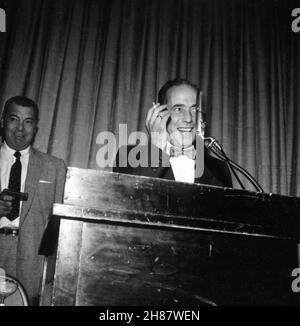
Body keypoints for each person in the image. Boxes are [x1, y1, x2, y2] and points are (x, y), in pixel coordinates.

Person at [0, 96, 66, 305]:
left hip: (33, 265)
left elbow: (60, 229)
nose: (20, 129)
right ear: (2, 121)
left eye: (28, 121)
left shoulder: (55, 168)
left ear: (36, 127)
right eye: (14, 119)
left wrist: (50, 276)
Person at [113, 78, 232, 187]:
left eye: (195, 109)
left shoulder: (219, 169)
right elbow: (132, 199)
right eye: (178, 109)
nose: (189, 119)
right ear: (159, 113)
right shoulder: (127, 157)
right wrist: (156, 149)